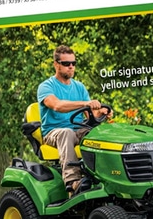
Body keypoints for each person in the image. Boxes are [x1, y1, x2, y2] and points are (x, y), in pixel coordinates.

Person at [37, 44, 111, 196]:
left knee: (100, 134)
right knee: (67, 133)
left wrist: (102, 113)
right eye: (66, 64)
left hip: (78, 129)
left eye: (73, 63)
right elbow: (57, 105)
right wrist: (85, 103)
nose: (71, 67)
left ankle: (108, 177)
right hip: (54, 133)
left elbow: (90, 116)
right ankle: (73, 182)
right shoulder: (46, 87)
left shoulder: (79, 87)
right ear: (56, 64)